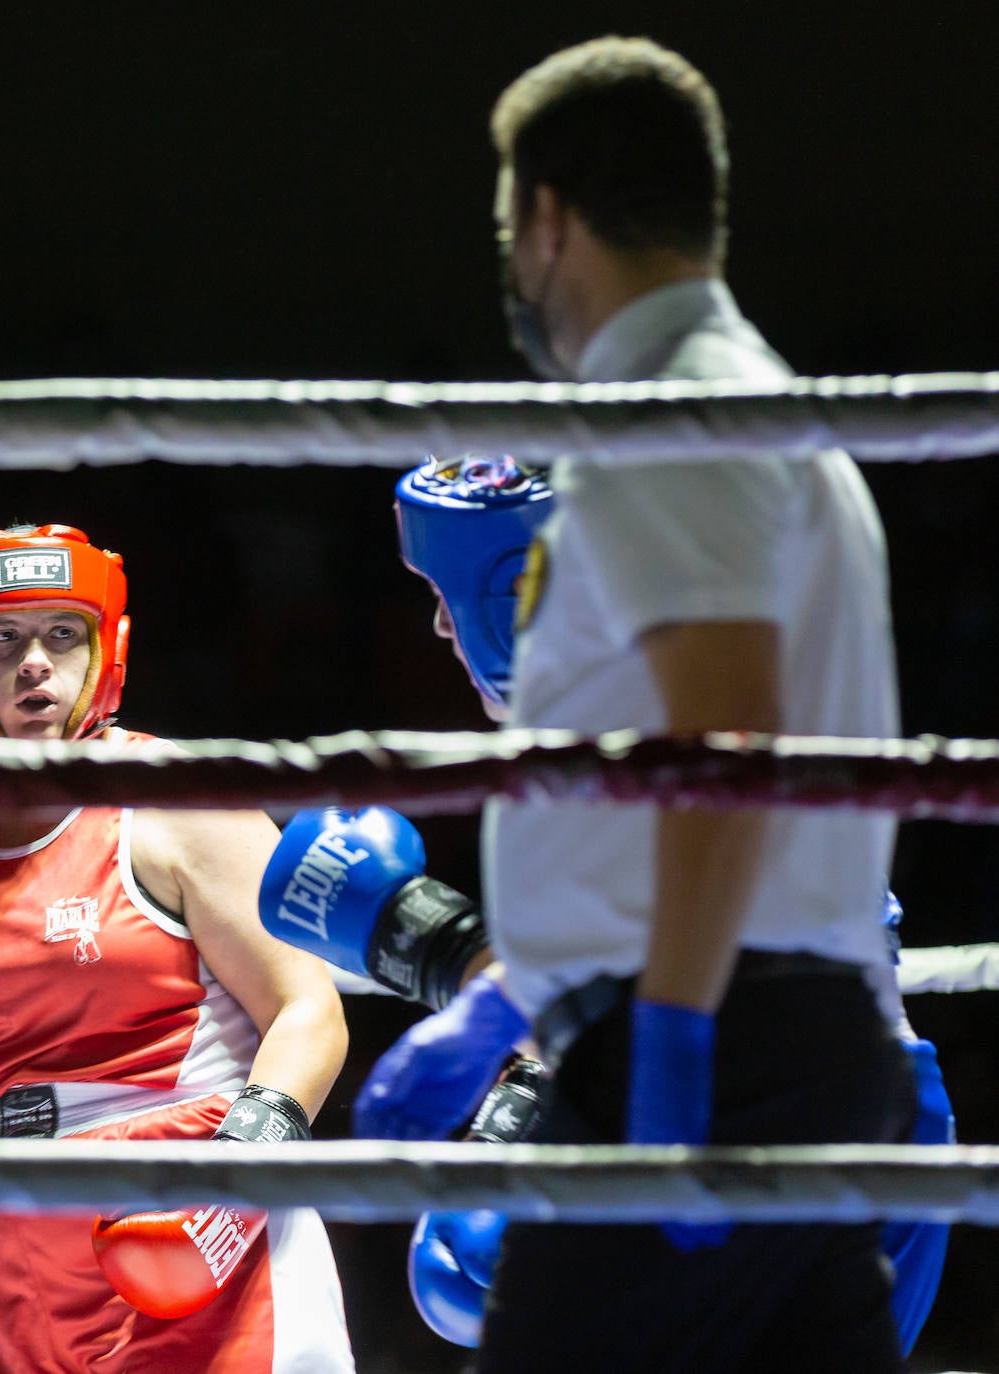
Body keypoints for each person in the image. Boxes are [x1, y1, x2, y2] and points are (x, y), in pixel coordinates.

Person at [354, 34, 922, 1371]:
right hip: (783, 1027)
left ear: (548, 220)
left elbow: (724, 750)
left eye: (511, 228)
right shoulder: (759, 412)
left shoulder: (671, 415)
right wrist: (514, 999)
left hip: (715, 1035)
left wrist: (666, 1037)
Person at [265, 452, 953, 1358]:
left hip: (749, 1092)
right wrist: (476, 983)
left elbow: (720, 847)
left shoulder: (662, 679)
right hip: (790, 1080)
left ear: (516, 583)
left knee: (481, 1275)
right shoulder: (621, 699)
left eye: (443, 591)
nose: (438, 625)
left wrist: (439, 949)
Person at [0, 522, 355, 1374]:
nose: (33, 663)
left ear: (106, 651)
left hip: (175, 1195)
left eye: (62, 633)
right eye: (2, 638)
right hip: (0, 1227)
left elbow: (308, 1011)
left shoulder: (174, 801)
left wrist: (233, 1184)